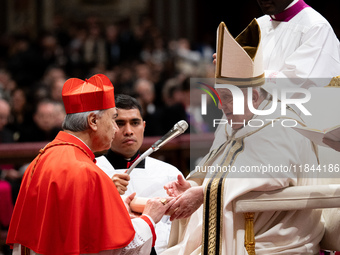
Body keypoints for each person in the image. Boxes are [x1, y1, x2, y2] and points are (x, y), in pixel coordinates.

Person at [162, 19, 324, 254]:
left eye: (228, 97)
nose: (221, 106)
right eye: (220, 97)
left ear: (255, 97)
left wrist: (204, 193)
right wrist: (193, 185)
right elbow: (214, 167)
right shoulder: (231, 124)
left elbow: (273, 175)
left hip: (272, 236)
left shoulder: (284, 124)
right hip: (240, 226)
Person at [6, 74, 174, 255]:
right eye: (113, 119)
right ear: (93, 121)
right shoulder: (86, 171)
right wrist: (149, 218)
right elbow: (117, 249)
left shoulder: (43, 157)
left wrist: (116, 207)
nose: (116, 129)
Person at [96, 94, 183, 254]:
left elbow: (180, 228)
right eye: (119, 123)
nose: (128, 131)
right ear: (107, 126)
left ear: (143, 126)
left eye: (134, 123)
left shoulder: (169, 173)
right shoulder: (93, 170)